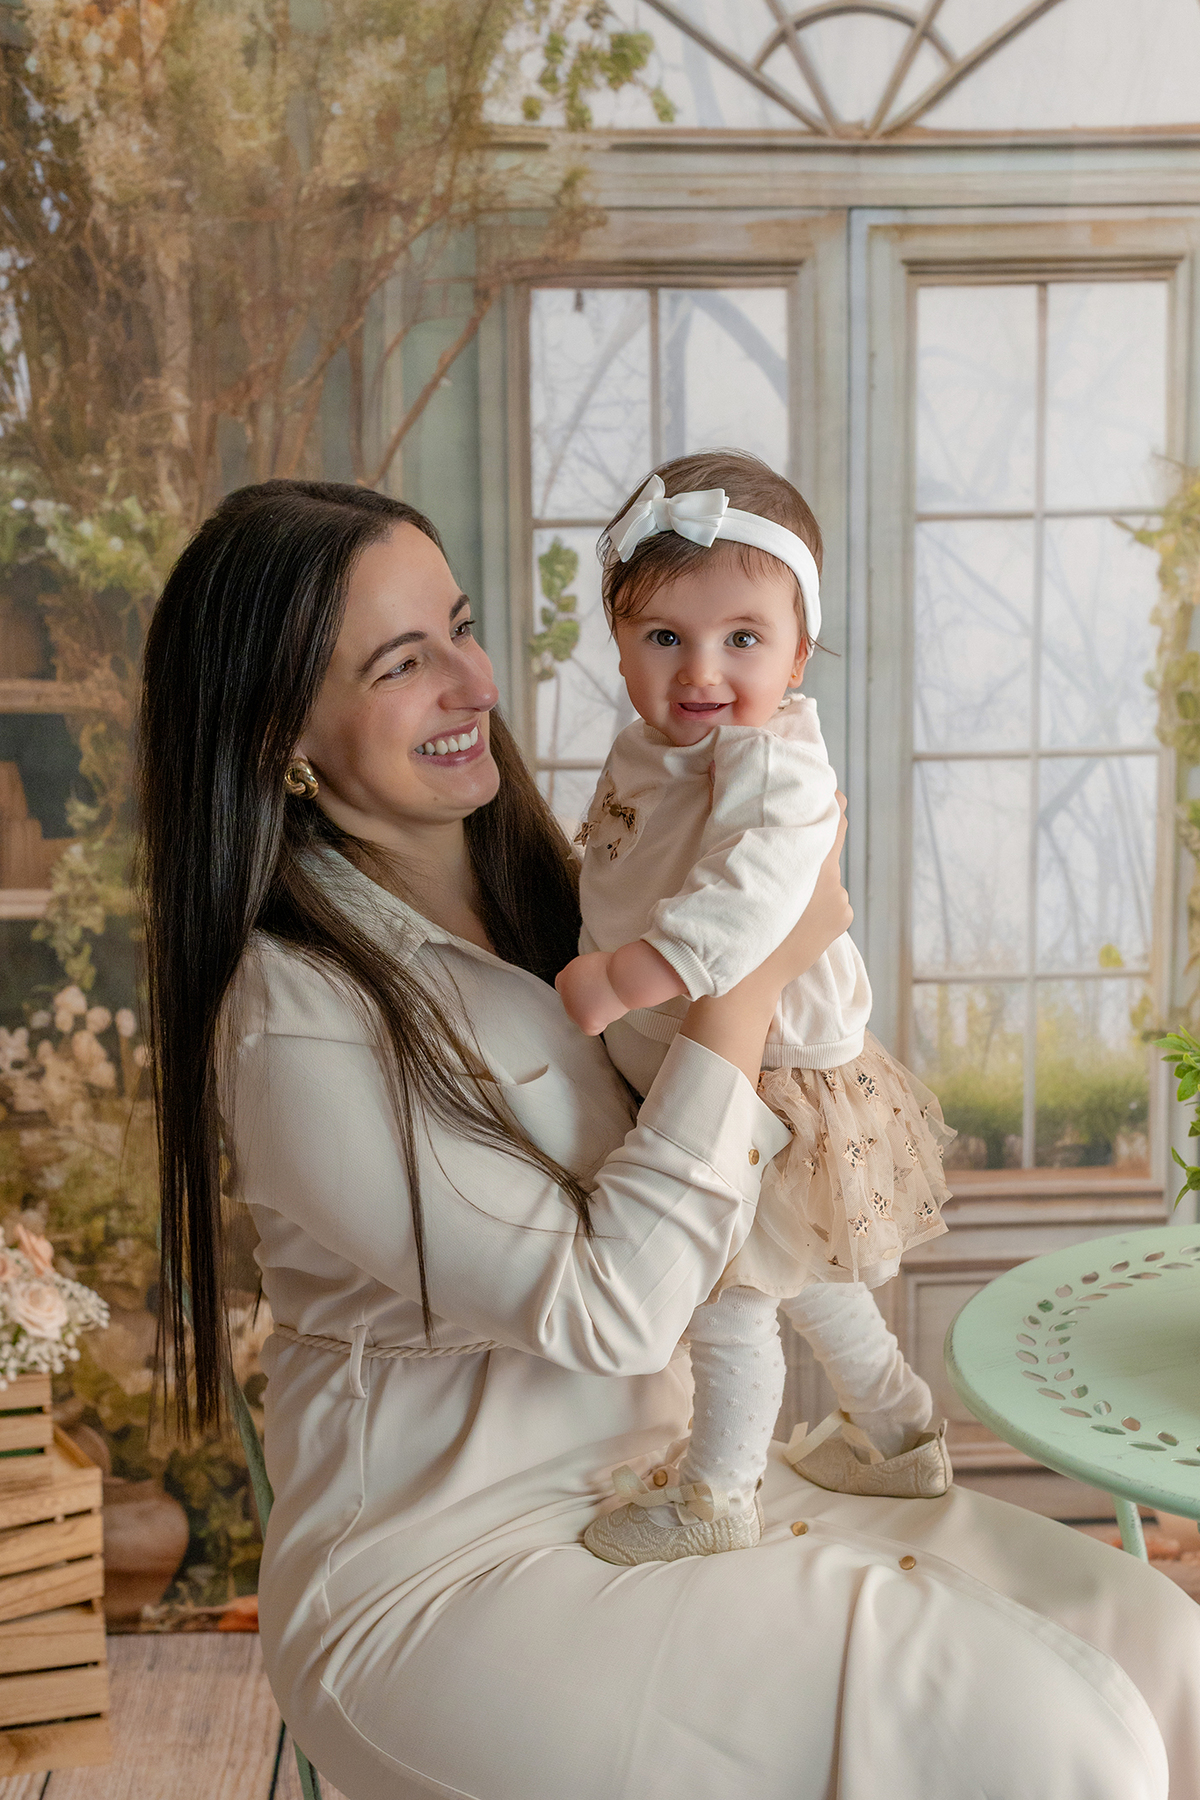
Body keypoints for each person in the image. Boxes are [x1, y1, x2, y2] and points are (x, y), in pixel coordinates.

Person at [139, 478, 1200, 1800]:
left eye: (459, 629)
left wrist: (765, 964)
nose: (472, 681)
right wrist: (750, 981)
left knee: (1170, 1650)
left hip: (682, 1483)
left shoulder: (565, 886)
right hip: (448, 1567)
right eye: (403, 663)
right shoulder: (296, 1020)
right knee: (1061, 1741)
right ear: (279, 733)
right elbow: (619, 1312)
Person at [555, 451, 952, 1567]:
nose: (702, 672)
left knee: (728, 1292)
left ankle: (717, 1490)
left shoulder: (774, 762)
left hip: (764, 1070)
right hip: (713, 1054)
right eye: (663, 637)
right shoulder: (658, 743)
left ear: (798, 648)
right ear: (623, 640)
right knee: (810, 1274)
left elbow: (754, 902)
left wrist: (622, 980)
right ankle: (902, 1432)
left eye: (744, 639)